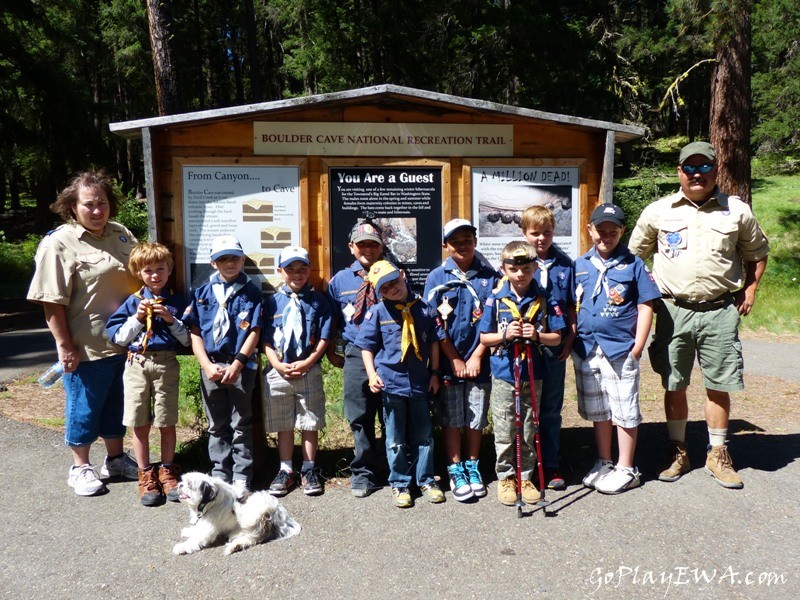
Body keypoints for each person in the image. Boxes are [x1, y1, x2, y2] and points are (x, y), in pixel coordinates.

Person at [628, 141, 770, 489]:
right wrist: (646, 291)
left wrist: (750, 290)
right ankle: (677, 451)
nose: (697, 174)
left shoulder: (736, 211)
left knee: (718, 385)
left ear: (715, 170)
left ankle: (718, 453)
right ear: (679, 171)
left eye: (704, 167)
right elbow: (633, 257)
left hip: (720, 310)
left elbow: (758, 252)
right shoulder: (659, 212)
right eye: (689, 167)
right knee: (674, 383)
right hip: (672, 311)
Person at [27, 169, 140, 496]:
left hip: (125, 345)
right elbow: (51, 300)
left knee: (117, 405)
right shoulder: (59, 242)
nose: (97, 210)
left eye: (102, 203)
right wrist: (64, 345)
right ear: (72, 207)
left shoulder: (120, 234)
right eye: (88, 204)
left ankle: (116, 460)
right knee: (84, 408)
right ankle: (80, 467)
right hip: (85, 348)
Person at [572, 204, 661, 494]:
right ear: (590, 230)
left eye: (613, 231)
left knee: (624, 408)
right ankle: (605, 460)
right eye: (601, 231)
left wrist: (638, 345)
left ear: (622, 231)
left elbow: (646, 304)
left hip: (620, 349)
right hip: (588, 347)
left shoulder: (633, 264)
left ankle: (626, 467)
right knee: (600, 409)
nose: (606, 237)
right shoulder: (581, 264)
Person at [478, 242, 565, 506]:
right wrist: (505, 334)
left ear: (535, 268)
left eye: (526, 268)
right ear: (503, 269)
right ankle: (506, 477)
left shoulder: (545, 298)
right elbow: (484, 337)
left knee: (529, 425)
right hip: (505, 372)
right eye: (514, 269)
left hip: (534, 372)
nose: (520, 274)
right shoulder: (495, 299)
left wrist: (537, 335)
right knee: (505, 426)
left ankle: (526, 476)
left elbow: (557, 338)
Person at [105, 242, 190, 506]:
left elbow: (188, 339)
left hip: (166, 362)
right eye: (148, 270)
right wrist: (137, 318)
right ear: (139, 273)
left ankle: (167, 470)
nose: (155, 275)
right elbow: (118, 337)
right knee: (139, 421)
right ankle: (146, 475)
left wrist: (170, 320)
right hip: (137, 363)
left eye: (160, 269)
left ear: (169, 270)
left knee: (166, 420)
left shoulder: (176, 302)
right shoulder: (133, 303)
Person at [356, 260, 445, 508]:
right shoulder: (377, 312)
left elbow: (436, 343)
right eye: (384, 288)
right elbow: (367, 347)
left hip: (419, 383)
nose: (391, 289)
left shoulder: (425, 308)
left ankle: (426, 479)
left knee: (424, 435)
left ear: (403, 275)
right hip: (391, 383)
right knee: (394, 438)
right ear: (378, 292)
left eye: (393, 281)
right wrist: (372, 375)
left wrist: (435, 373)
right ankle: (400, 482)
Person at [423, 218, 497, 502]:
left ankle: (473, 464)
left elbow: (492, 320)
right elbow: (434, 324)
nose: (462, 245)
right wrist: (453, 358)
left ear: (475, 241)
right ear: (445, 246)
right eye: (456, 242)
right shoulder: (436, 277)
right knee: (452, 417)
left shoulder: (489, 276)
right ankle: (455, 467)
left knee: (476, 416)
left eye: (467, 240)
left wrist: (477, 355)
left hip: (481, 360)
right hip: (449, 361)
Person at [182, 235, 262, 494]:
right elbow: (195, 331)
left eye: (234, 258)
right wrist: (205, 364)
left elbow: (254, 331)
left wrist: (238, 364)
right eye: (223, 258)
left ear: (242, 260)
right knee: (216, 424)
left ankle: (241, 474)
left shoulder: (252, 291)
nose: (230, 263)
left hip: (240, 367)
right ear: (213, 263)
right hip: (211, 367)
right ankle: (220, 472)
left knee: (241, 422)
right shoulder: (202, 292)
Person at [262, 246, 333, 497]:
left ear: (309, 270)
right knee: (284, 422)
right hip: (278, 370)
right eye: (290, 269)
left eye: (302, 269)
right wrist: (277, 364)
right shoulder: (271, 302)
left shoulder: (319, 302)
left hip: (308, 369)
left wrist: (309, 361)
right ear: (280, 271)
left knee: (309, 420)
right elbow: (266, 340)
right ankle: (285, 469)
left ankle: (309, 467)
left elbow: (324, 337)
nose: (296, 274)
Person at [325, 221, 389, 497]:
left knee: (391, 412)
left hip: (389, 353)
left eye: (373, 244)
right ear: (352, 248)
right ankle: (364, 472)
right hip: (354, 351)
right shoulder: (340, 280)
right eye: (362, 244)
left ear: (381, 247)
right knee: (359, 414)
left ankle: (393, 467)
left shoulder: (393, 274)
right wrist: (330, 350)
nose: (368, 249)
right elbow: (332, 319)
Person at [520, 205, 576, 490]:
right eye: (534, 233)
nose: (541, 238)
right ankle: (525, 464)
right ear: (524, 233)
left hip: (554, 346)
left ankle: (551, 462)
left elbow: (570, 306)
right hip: (524, 347)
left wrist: (570, 338)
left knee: (551, 408)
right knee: (525, 406)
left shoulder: (565, 264)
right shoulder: (516, 262)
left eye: (547, 233)